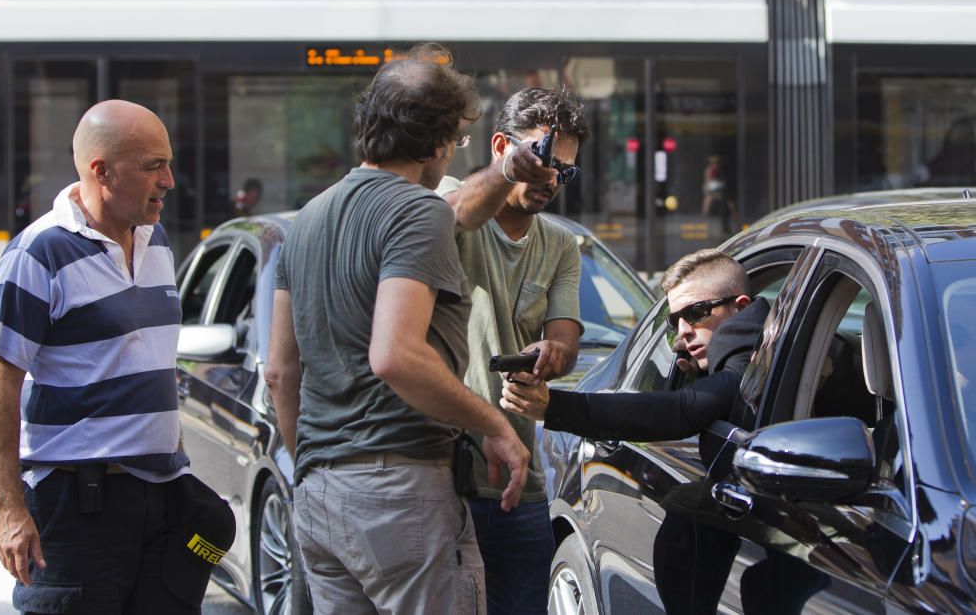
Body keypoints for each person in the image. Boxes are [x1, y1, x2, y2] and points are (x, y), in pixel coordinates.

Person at [264, 44, 531, 615]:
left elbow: (279, 372)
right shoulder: (419, 211)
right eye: (458, 140)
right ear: (436, 141)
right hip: (399, 492)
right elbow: (396, 356)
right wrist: (493, 424)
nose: (452, 153)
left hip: (317, 494)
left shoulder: (305, 219)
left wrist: (314, 467)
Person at [0, 99, 234, 614]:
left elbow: (148, 362)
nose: (169, 180)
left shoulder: (155, 238)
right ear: (102, 171)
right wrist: (8, 509)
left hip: (160, 498)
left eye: (168, 163)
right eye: (152, 166)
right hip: (75, 510)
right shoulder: (39, 252)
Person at [502, 248, 769, 614]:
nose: (684, 331)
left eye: (695, 314)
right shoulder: (735, 356)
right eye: (675, 320)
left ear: (740, 306)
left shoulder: (755, 356)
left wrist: (554, 407)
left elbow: (685, 411)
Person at [436, 87, 590, 615]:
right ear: (502, 145)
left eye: (563, 172)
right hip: (442, 475)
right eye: (543, 160)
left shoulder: (562, 246)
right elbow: (451, 213)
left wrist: (554, 351)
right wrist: (507, 170)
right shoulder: (454, 197)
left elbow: (567, 336)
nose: (550, 179)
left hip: (518, 479)